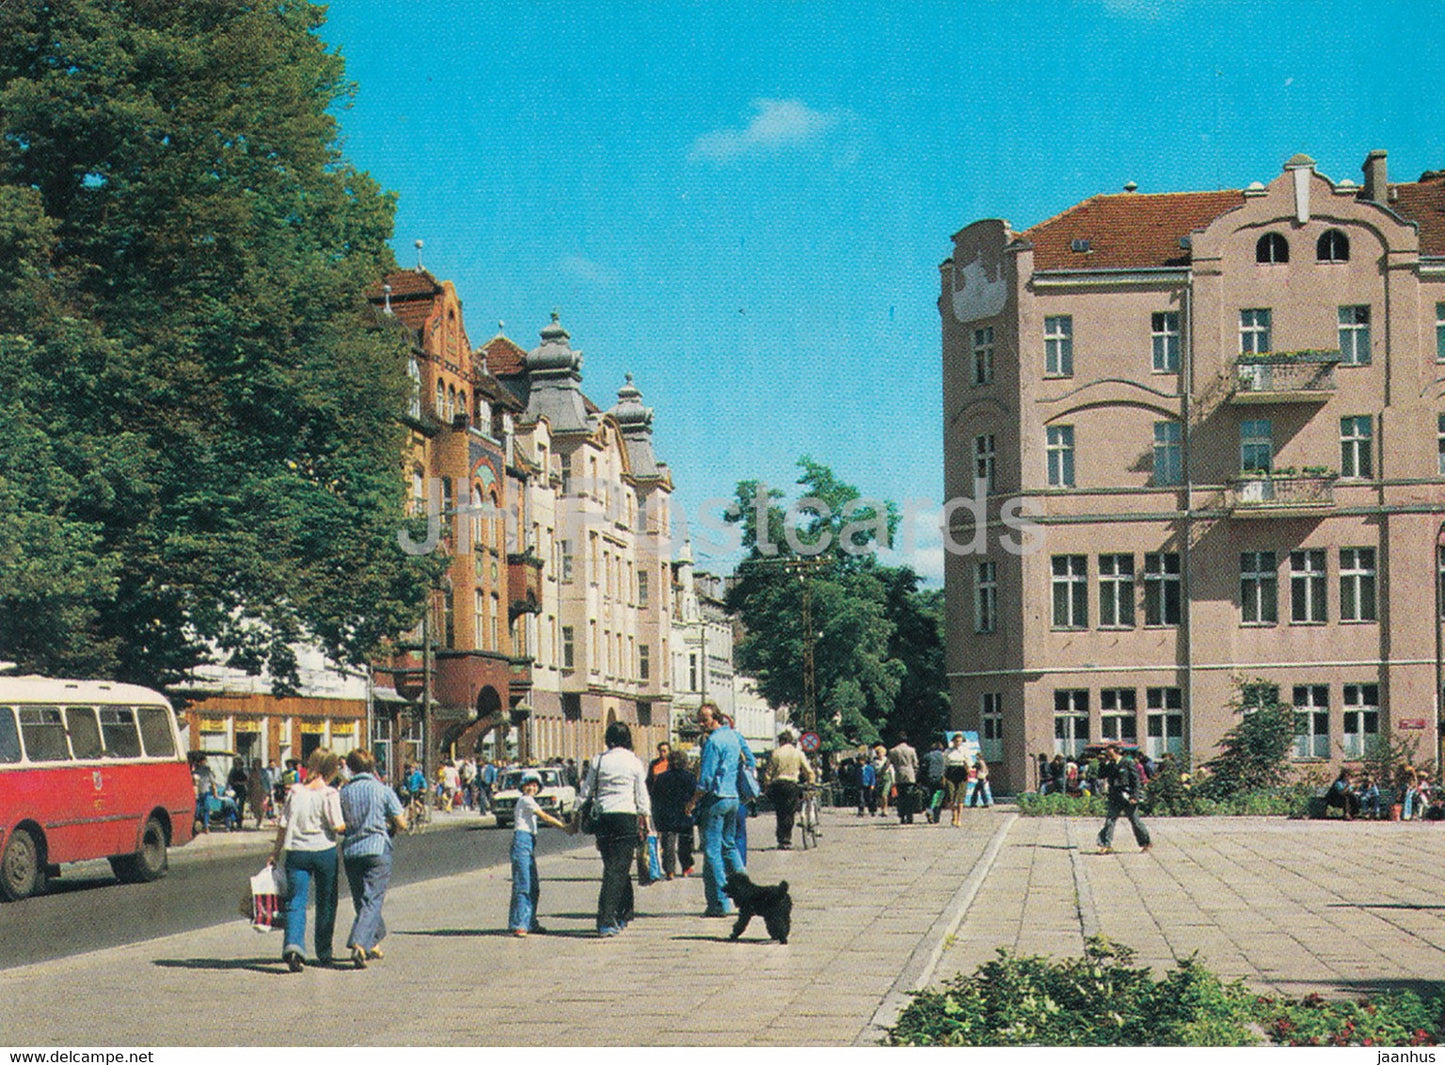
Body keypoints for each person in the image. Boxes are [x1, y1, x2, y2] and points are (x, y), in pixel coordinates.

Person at [271, 748, 347, 971]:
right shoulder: (330, 794)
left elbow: (283, 825)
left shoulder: (295, 792)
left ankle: (294, 947)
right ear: (331, 769)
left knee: (295, 901)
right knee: (326, 902)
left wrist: (275, 853)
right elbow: (337, 825)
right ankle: (323, 950)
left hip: (296, 852)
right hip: (324, 851)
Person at [575, 721, 651, 937]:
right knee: (619, 868)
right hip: (626, 816)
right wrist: (645, 818)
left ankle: (624, 912)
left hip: (604, 817)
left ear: (608, 738)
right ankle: (606, 919)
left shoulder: (599, 760)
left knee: (613, 865)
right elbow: (641, 793)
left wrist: (576, 811)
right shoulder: (634, 761)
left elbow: (587, 789)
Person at [338, 748, 406, 967]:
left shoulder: (344, 792)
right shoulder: (382, 790)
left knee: (362, 900)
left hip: (351, 851)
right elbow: (401, 822)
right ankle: (359, 944)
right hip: (377, 848)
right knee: (373, 899)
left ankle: (373, 942)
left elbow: (340, 824)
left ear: (350, 767)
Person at [686, 701, 745, 918]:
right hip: (733, 797)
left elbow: (706, 779)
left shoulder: (713, 742)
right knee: (729, 846)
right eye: (700, 719)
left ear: (716, 717)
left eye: (705, 719)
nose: (701, 723)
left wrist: (692, 801)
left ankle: (721, 901)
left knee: (711, 851)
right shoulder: (733, 737)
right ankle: (745, 891)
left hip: (716, 799)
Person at [509, 770, 572, 937]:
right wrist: (564, 827)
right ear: (522, 786)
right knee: (523, 884)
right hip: (521, 843)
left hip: (529, 843)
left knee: (533, 886)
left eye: (535, 785)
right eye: (529, 784)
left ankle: (530, 921)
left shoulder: (530, 800)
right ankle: (519, 924)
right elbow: (544, 816)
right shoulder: (525, 800)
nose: (532, 788)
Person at [1096, 743, 1151, 854]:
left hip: (1128, 796)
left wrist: (1134, 796)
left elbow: (1136, 780)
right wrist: (1102, 763)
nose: (1108, 756)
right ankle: (1106, 845)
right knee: (1110, 821)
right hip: (1115, 796)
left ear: (1116, 752)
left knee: (1135, 821)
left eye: (1110, 753)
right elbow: (1101, 775)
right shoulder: (1110, 764)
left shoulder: (1127, 762)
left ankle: (1145, 842)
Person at [765, 730, 814, 849]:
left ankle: (781, 839)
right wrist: (811, 782)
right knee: (790, 812)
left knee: (780, 812)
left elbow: (769, 773)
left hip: (778, 784)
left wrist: (767, 785)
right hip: (792, 784)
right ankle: (787, 839)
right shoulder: (798, 753)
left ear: (781, 741)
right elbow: (808, 771)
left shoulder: (776, 753)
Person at [651, 749, 696, 879]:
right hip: (685, 813)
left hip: (667, 815)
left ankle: (670, 870)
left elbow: (655, 798)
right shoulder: (690, 777)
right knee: (686, 843)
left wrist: (656, 816)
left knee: (668, 844)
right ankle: (686, 867)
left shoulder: (661, 777)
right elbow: (694, 795)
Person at [888, 731, 920, 824]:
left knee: (901, 796)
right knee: (909, 796)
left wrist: (880, 773)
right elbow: (915, 763)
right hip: (910, 774)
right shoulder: (911, 750)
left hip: (899, 774)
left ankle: (902, 815)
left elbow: (887, 763)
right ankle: (910, 816)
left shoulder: (893, 751)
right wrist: (916, 773)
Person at [943, 733, 972, 826]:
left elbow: (969, 763)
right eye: (956, 741)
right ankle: (954, 815)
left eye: (960, 741)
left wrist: (968, 770)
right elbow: (945, 764)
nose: (958, 743)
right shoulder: (948, 751)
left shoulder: (965, 750)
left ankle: (959, 818)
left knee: (960, 796)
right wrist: (943, 775)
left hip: (961, 771)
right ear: (953, 741)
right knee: (951, 795)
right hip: (951, 772)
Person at [921, 740, 946, 823]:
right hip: (941, 778)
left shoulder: (927, 756)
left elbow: (923, 768)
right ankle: (936, 817)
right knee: (939, 797)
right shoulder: (944, 756)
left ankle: (929, 810)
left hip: (929, 779)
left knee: (929, 796)